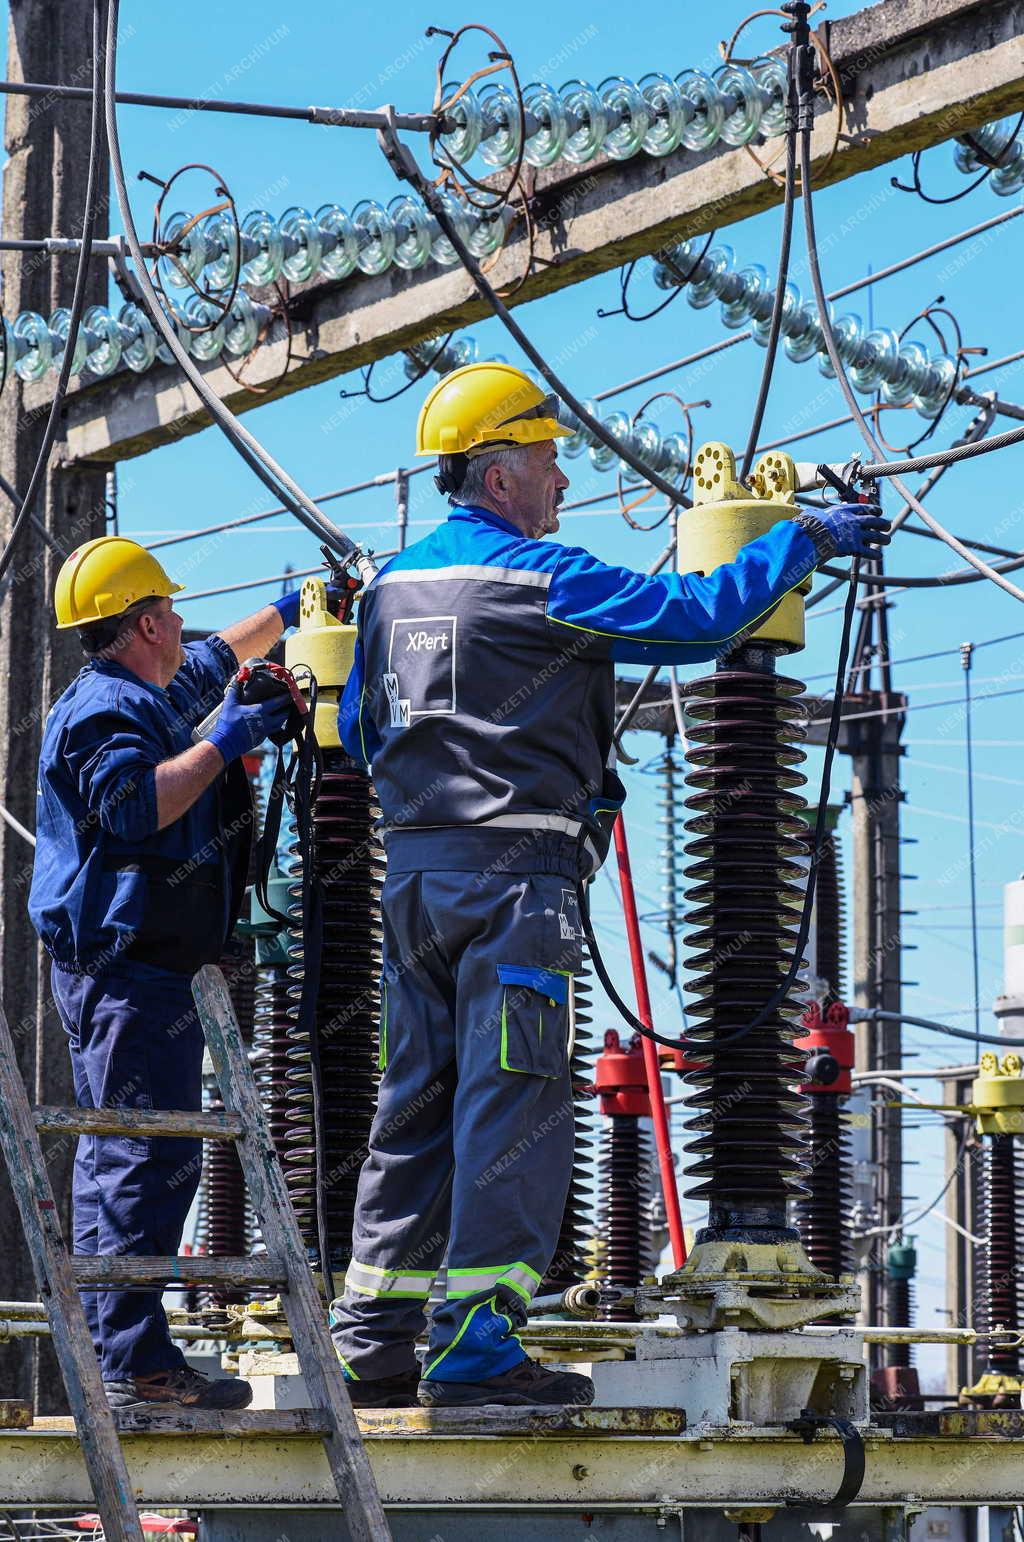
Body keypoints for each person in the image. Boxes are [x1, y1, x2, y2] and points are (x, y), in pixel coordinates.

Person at [328, 362, 890, 1410]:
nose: (561, 483)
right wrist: (802, 543)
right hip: (513, 889)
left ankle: (373, 1341)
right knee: (514, 1108)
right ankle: (475, 1350)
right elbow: (697, 621)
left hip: (411, 883)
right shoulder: (548, 582)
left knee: (416, 1104)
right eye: (547, 459)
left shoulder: (390, 588)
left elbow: (363, 728)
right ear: (498, 474)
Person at [29, 535, 339, 1411]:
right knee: (146, 1156)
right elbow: (135, 807)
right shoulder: (102, 711)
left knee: (127, 1152)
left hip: (148, 966)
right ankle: (135, 1363)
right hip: (126, 967)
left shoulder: (146, 691)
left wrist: (301, 604)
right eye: (172, 610)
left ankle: (121, 1354)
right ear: (148, 619)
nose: (185, 625)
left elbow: (219, 656)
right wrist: (230, 739)